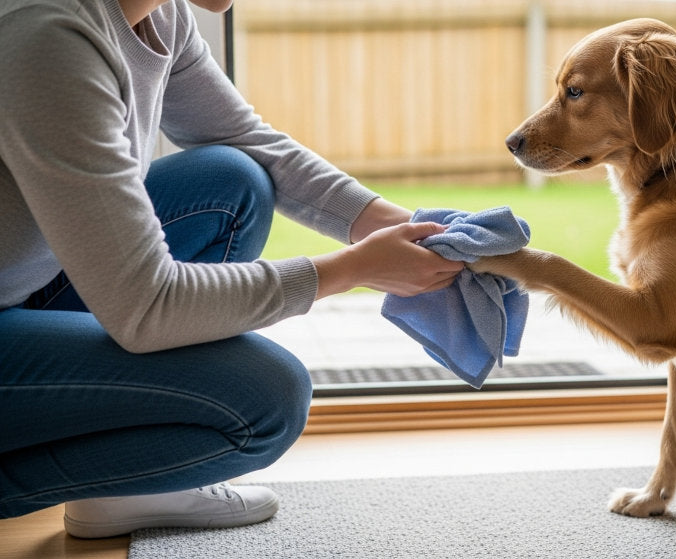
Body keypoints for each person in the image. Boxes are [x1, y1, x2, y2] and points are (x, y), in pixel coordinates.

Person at [0, 0, 465, 537]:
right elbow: (147, 306)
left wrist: (401, 226)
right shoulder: (48, 38)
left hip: (22, 285)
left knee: (231, 180)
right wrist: (352, 270)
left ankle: (122, 493)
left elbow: (248, 140)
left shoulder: (157, 12)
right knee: (265, 399)